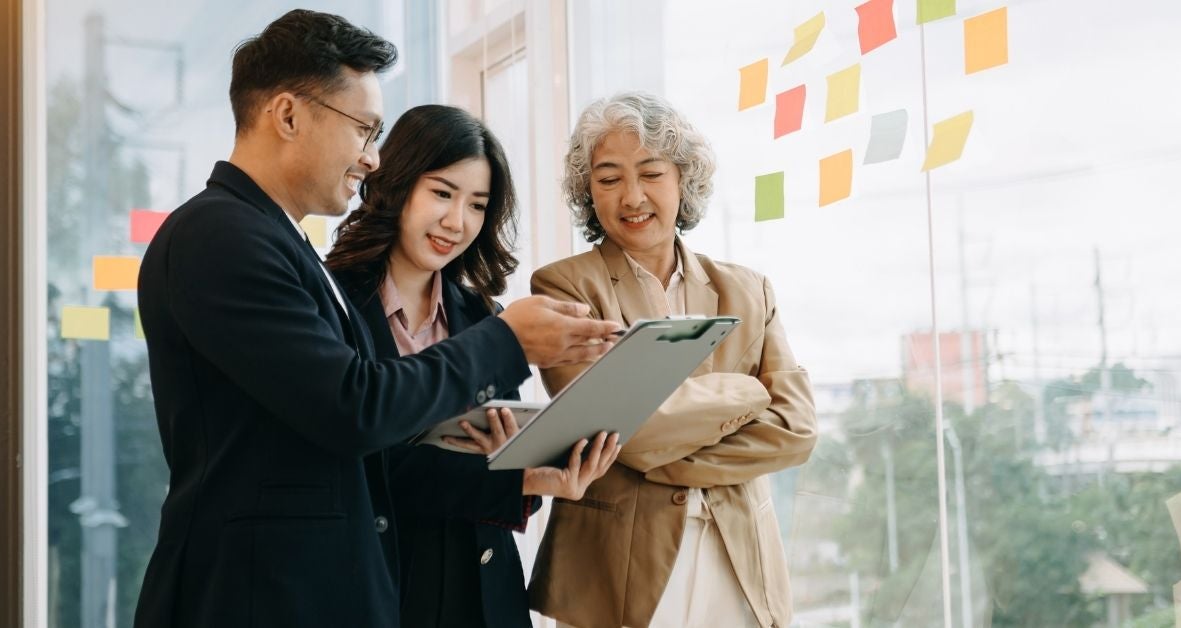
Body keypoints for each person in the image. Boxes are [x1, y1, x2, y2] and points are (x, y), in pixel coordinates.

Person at [133, 11, 618, 628]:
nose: (370, 160)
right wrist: (509, 340)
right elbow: (355, 406)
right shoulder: (220, 235)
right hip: (257, 594)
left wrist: (515, 470)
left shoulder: (272, 238)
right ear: (288, 116)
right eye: (364, 130)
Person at [526, 92, 818, 628]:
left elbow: (795, 430)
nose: (632, 196)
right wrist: (748, 394)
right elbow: (620, 431)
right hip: (615, 569)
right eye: (609, 178)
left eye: (651, 172)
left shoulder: (749, 290)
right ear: (588, 192)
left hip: (739, 558)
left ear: (683, 180)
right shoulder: (563, 287)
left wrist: (655, 437)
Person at [325, 104, 621, 627]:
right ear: (395, 186)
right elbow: (369, 468)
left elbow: (502, 472)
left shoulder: (484, 317)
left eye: (477, 205)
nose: (457, 222)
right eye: (442, 193)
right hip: (387, 595)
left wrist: (541, 468)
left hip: (486, 599)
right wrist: (520, 479)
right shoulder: (333, 302)